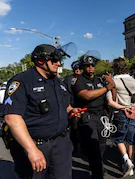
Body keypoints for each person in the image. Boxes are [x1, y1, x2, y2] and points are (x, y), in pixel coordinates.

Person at [2, 44, 82, 179]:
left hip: (61, 144)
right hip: (36, 145)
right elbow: (12, 118)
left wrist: (71, 110)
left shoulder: (57, 81)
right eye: (55, 60)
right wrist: (32, 150)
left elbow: (65, 104)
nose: (59, 63)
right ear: (40, 61)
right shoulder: (22, 81)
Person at [72, 50, 116, 179]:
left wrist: (111, 85)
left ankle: (97, 166)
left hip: (102, 116)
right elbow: (86, 95)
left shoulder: (99, 80)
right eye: (87, 65)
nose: (90, 68)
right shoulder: (78, 80)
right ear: (83, 67)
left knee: (102, 145)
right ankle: (97, 172)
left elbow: (112, 98)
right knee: (94, 148)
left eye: (92, 65)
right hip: (88, 116)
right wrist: (107, 87)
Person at [106, 57, 135, 177]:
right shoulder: (133, 80)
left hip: (121, 112)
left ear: (114, 67)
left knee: (118, 139)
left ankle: (126, 161)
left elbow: (109, 102)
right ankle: (131, 162)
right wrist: (134, 105)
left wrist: (123, 108)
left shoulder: (112, 81)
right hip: (133, 112)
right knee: (131, 140)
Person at [63, 60, 82, 153]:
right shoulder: (68, 79)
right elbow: (64, 93)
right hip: (72, 106)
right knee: (74, 127)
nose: (78, 70)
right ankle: (76, 146)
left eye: (79, 68)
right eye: (76, 68)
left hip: (84, 106)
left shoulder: (85, 78)